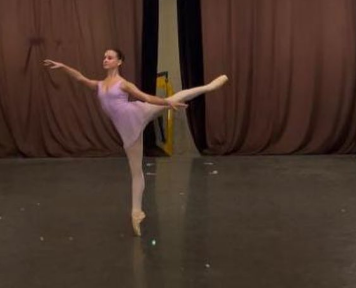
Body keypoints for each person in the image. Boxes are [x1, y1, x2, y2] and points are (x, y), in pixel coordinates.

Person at [43, 49, 228, 236]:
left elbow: (145, 97)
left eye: (110, 57)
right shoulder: (99, 85)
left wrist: (165, 103)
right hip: (127, 129)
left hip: (138, 113)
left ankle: (209, 87)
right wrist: (63, 66)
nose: (105, 60)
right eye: (104, 57)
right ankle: (136, 212)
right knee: (136, 171)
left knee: (174, 98)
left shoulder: (123, 84)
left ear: (119, 62)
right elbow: (80, 78)